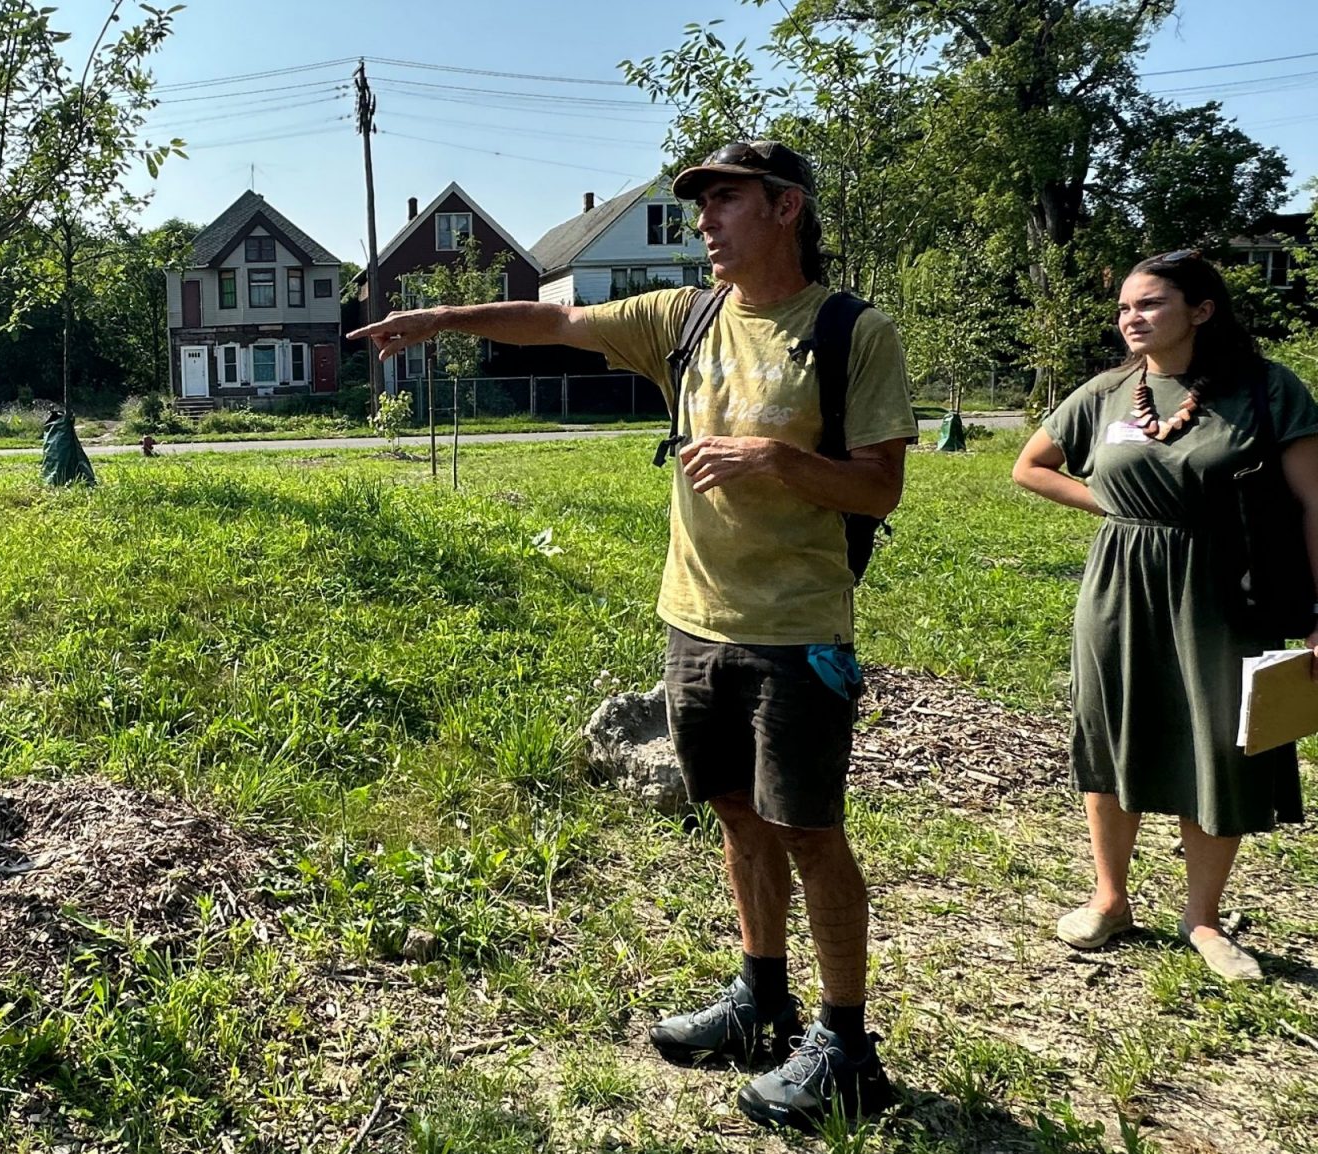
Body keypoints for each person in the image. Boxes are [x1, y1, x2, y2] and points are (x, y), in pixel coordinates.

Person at [351, 140, 917, 1128]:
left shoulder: (846, 332)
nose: (702, 220)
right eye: (697, 203)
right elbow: (555, 316)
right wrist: (440, 315)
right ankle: (759, 998)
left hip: (796, 631)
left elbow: (879, 483)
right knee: (737, 816)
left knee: (808, 831)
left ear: (785, 209)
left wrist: (776, 459)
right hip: (691, 621)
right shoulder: (683, 317)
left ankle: (844, 1044)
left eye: (723, 201)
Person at [1012, 251, 1318, 982]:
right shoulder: (1110, 391)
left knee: (1219, 742)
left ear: (1201, 310)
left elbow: (1312, 505)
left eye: (1148, 304)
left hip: (1227, 587)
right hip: (1119, 585)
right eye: (1123, 308)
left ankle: (1203, 918)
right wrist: (1111, 505)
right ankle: (1110, 900)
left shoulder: (1268, 391)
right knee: (1113, 730)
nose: (1130, 319)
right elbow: (1031, 465)